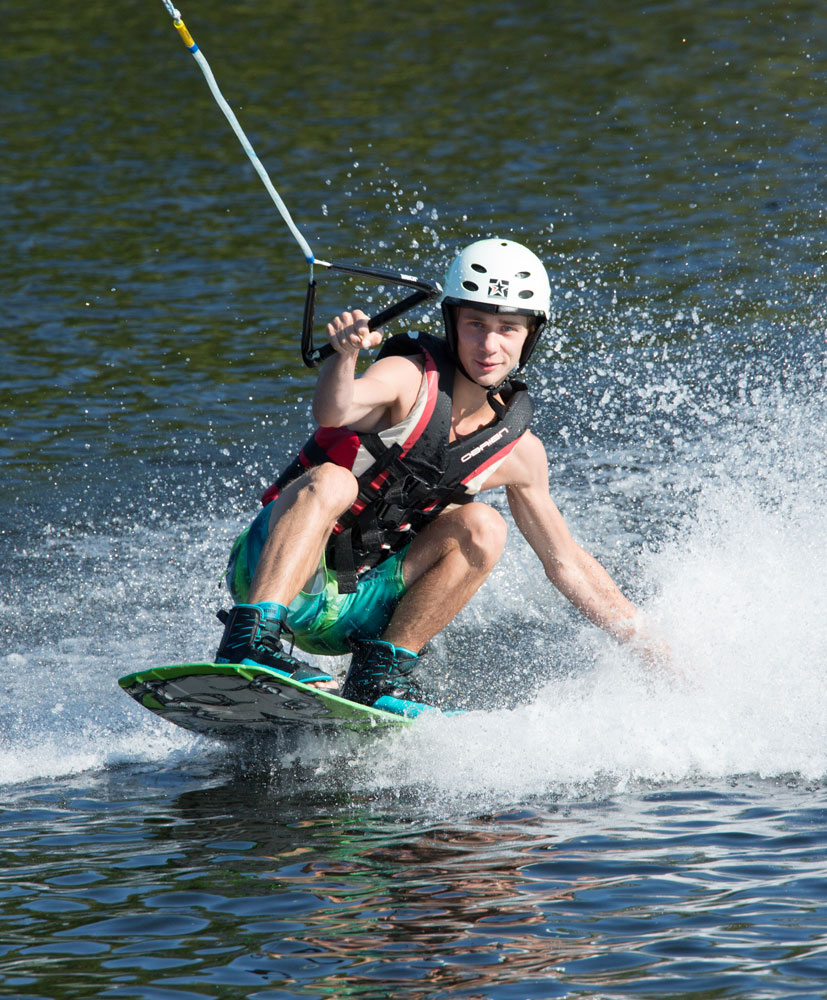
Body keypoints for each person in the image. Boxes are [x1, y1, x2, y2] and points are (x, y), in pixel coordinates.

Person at [215, 238, 660, 716]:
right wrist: (343, 358)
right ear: (451, 323)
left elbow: (567, 564)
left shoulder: (519, 453)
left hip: (356, 605)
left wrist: (652, 648)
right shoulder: (407, 378)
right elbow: (333, 410)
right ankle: (249, 640)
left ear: (530, 336)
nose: (489, 345)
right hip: (273, 572)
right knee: (336, 481)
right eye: (475, 325)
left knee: (484, 527)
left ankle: (377, 677)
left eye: (508, 328)